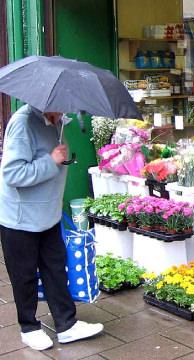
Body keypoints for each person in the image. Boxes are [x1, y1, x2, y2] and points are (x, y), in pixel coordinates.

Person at [0, 105, 103, 351]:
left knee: (56, 269)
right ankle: (29, 327)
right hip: (20, 217)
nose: (65, 108)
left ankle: (66, 324)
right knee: (24, 275)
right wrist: (51, 161)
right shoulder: (23, 123)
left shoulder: (58, 122)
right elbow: (12, 173)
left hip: (48, 214)